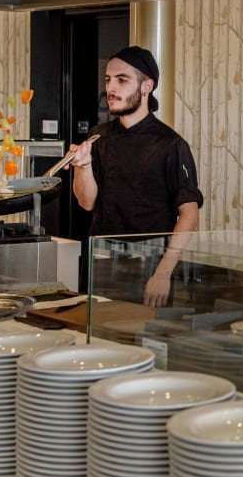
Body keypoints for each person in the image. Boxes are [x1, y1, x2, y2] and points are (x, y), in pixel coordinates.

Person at [69, 45, 203, 307]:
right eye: (108, 79)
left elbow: (189, 214)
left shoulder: (171, 145)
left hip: (149, 266)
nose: (111, 88)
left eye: (122, 80)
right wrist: (82, 167)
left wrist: (163, 273)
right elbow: (86, 202)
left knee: (141, 332)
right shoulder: (98, 136)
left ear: (146, 86)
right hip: (100, 260)